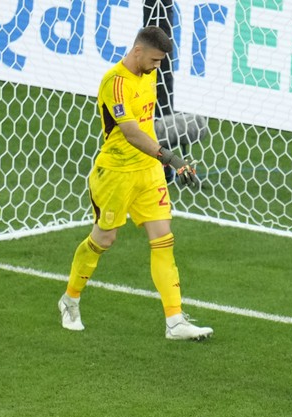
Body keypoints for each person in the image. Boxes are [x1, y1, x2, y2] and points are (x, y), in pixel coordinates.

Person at [58, 26, 212, 340]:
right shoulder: (114, 83)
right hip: (115, 173)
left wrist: (160, 160)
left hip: (148, 172)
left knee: (163, 240)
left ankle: (175, 321)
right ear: (138, 51)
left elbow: (147, 125)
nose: (158, 67)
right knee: (104, 239)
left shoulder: (149, 74)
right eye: (154, 60)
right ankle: (70, 299)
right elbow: (130, 132)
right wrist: (170, 157)